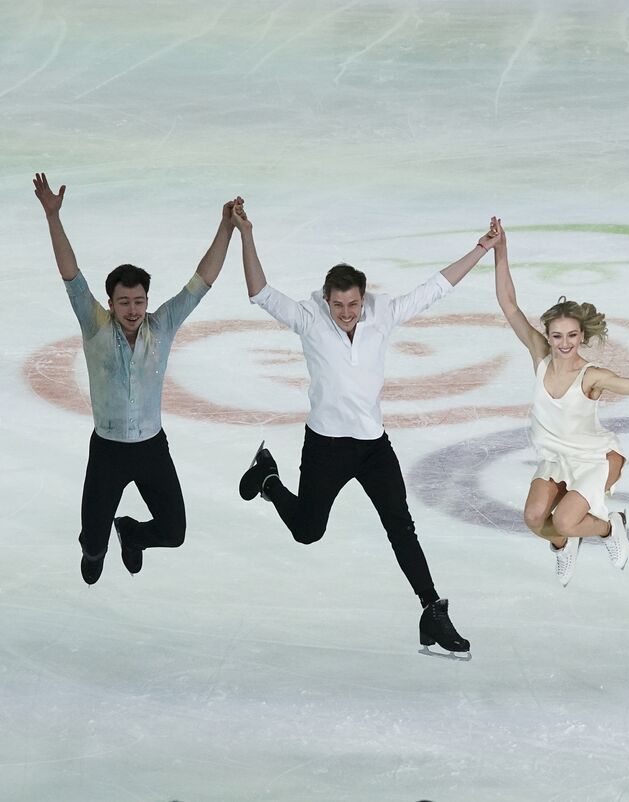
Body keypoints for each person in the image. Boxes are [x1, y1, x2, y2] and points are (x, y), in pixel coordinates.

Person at [234, 202, 495, 653]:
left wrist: (480, 248)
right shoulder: (309, 318)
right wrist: (246, 234)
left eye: (353, 303)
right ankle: (269, 479)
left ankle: (432, 610)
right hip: (326, 447)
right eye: (338, 304)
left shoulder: (383, 312)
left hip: (373, 446)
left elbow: (436, 288)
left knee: (401, 525)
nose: (347, 312)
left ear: (363, 296)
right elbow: (259, 290)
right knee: (307, 531)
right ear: (326, 298)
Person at [35, 172, 236, 584]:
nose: (132, 309)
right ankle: (97, 544)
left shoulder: (161, 327)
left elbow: (202, 281)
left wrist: (226, 226)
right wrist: (53, 216)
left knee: (175, 532)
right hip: (107, 451)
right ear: (110, 302)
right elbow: (71, 276)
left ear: (148, 299)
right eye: (123, 301)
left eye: (139, 300)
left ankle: (131, 532)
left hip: (151, 450)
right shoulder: (95, 325)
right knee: (92, 549)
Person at [490, 220, 629, 586]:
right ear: (548, 337)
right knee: (535, 519)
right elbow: (509, 304)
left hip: (593, 459)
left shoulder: (591, 376)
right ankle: (563, 545)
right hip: (554, 458)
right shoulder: (540, 356)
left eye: (571, 335)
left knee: (567, 520)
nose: (564, 343)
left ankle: (609, 526)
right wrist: (500, 249)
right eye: (556, 336)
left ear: (581, 335)